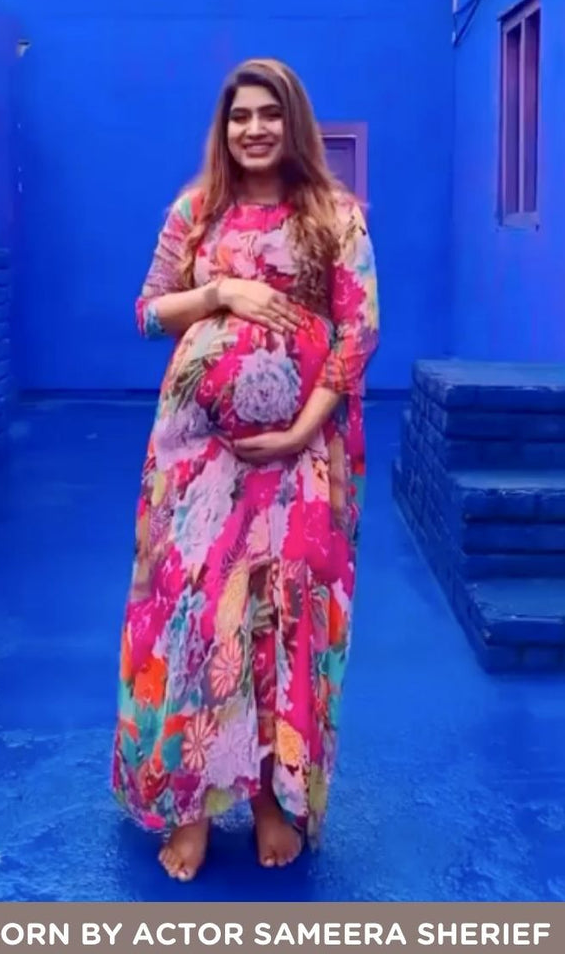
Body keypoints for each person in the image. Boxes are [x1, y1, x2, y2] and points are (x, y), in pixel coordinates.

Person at [111, 58, 379, 882]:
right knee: (193, 616)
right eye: (239, 116)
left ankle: (268, 800)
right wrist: (221, 292)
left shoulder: (334, 216)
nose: (254, 129)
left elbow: (358, 331)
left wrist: (299, 429)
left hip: (300, 462)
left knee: (277, 620)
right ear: (223, 128)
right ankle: (189, 805)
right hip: (196, 465)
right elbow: (148, 312)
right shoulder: (195, 212)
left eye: (269, 114)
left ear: (293, 123)